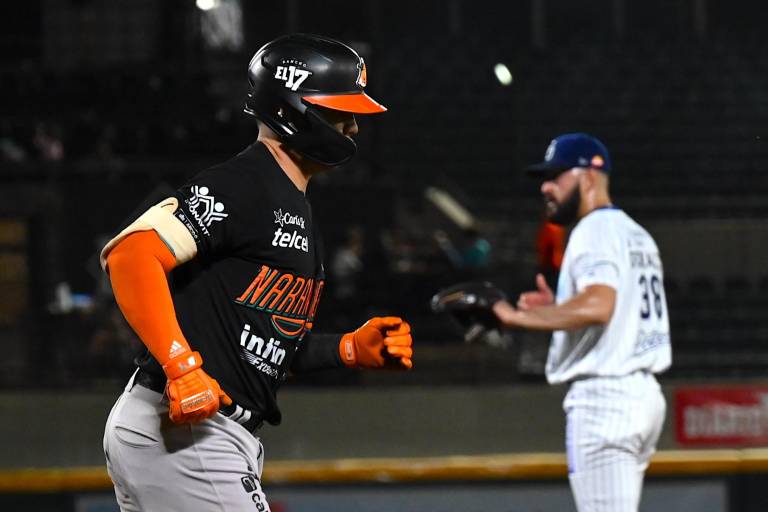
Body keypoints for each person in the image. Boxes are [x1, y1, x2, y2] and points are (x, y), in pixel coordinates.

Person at [100, 34, 413, 512]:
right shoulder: (247, 184)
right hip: (187, 433)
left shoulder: (290, 202)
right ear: (293, 107)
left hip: (194, 434)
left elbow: (259, 339)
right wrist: (181, 366)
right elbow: (131, 256)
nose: (352, 127)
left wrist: (347, 349)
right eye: (339, 111)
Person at [492, 133, 671, 512]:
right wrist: (560, 305)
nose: (546, 186)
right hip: (642, 396)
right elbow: (612, 308)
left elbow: (599, 305)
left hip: (605, 402)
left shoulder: (593, 230)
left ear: (589, 177)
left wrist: (517, 316)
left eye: (557, 175)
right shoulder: (633, 232)